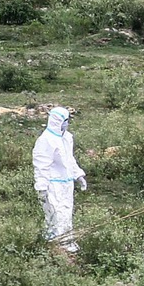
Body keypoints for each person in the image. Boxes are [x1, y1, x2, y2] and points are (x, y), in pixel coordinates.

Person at [32, 107, 87, 253]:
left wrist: (78, 175)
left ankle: (67, 242)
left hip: (66, 183)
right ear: (59, 121)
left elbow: (70, 160)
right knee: (55, 214)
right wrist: (42, 187)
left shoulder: (66, 137)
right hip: (53, 184)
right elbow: (41, 165)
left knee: (66, 213)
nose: (67, 124)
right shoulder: (46, 140)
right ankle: (55, 245)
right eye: (65, 121)